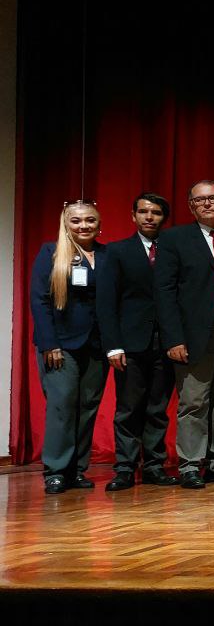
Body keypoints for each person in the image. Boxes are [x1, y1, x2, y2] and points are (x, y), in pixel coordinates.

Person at [154, 181, 214, 489]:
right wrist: (173, 338)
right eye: (199, 200)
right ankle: (191, 465)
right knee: (194, 401)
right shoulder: (174, 238)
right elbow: (164, 292)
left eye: (212, 198)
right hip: (192, 333)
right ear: (190, 206)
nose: (207, 204)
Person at [97, 193, 179, 491]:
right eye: (143, 212)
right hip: (130, 343)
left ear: (163, 218)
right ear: (133, 216)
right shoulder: (117, 252)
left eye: (156, 213)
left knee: (158, 407)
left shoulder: (173, 250)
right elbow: (106, 303)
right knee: (129, 408)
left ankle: (155, 465)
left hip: (166, 342)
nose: (149, 217)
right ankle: (125, 468)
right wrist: (113, 346)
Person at [30, 201, 108, 495]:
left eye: (90, 220)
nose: (83, 225)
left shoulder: (107, 255)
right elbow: (39, 300)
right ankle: (56, 470)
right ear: (66, 224)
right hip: (60, 345)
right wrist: (49, 342)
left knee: (87, 407)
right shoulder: (49, 253)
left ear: (100, 225)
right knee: (62, 406)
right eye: (76, 221)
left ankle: (76, 469)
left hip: (97, 345)